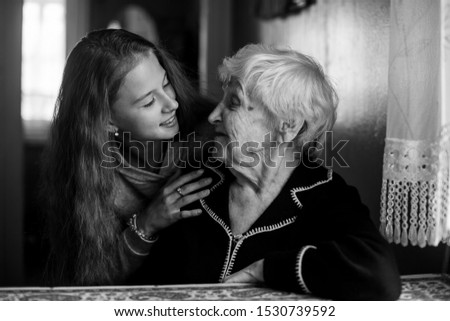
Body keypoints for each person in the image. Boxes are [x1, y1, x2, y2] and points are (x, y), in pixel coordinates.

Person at [137, 44, 402, 300]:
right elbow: (146, 287)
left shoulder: (324, 195)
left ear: (288, 126)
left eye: (233, 103)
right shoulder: (199, 178)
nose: (213, 116)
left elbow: (380, 276)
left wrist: (264, 270)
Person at [42, 29, 214, 285]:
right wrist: (146, 223)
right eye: (148, 103)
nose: (171, 104)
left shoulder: (209, 125)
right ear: (108, 121)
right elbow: (94, 280)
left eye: (166, 84)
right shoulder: (86, 176)